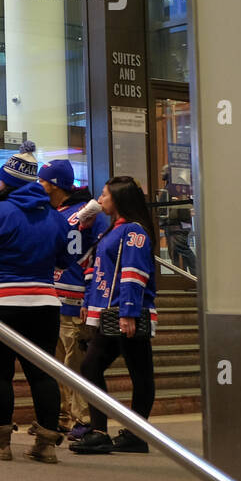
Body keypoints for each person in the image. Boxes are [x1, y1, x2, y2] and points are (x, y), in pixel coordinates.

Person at [0, 147, 68, 464]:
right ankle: (46, 445)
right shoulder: (54, 218)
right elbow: (66, 258)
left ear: (5, 183)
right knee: (43, 374)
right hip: (45, 303)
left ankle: (1, 443)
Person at [70, 176, 159, 456]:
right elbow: (89, 262)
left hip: (123, 312)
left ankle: (114, 432)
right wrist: (88, 300)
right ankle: (125, 433)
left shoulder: (133, 231)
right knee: (121, 369)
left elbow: (133, 273)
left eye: (105, 194)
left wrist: (129, 312)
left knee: (131, 371)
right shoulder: (113, 230)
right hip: (110, 312)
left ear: (119, 199)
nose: (100, 198)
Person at [39, 160, 108, 440]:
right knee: (55, 364)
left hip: (76, 300)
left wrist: (92, 299)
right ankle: (64, 415)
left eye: (43, 181)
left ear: (54, 184)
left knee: (75, 364)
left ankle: (84, 418)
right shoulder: (52, 212)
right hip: (52, 299)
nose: (39, 185)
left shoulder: (89, 213)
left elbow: (101, 254)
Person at [157, 166, 196, 274]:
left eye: (163, 171)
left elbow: (177, 207)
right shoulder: (175, 185)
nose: (161, 174)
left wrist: (167, 220)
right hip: (175, 225)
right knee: (176, 254)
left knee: (182, 251)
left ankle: (196, 276)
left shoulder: (175, 187)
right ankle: (183, 278)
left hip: (176, 225)